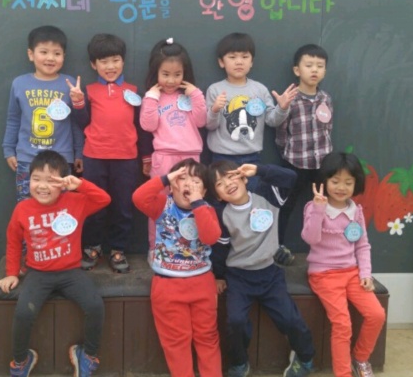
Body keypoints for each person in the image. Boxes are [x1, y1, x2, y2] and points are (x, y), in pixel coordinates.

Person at [0, 150, 111, 377]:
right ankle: (20, 362)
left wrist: (80, 185)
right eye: (36, 179)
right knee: (23, 313)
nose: (42, 186)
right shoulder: (22, 209)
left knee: (95, 306)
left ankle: (87, 357)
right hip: (38, 273)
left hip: (71, 272)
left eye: (51, 180)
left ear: (63, 183)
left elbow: (104, 200)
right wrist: (11, 272)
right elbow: (13, 241)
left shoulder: (76, 202)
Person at [208, 161, 315, 377]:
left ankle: (305, 358)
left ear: (243, 177)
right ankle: (239, 365)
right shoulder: (222, 214)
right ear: (217, 195)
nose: (228, 184)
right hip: (239, 277)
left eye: (231, 176)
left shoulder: (267, 196)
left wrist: (259, 170)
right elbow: (220, 250)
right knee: (235, 321)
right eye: (219, 183)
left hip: (270, 273)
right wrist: (218, 275)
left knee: (290, 319)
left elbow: (291, 178)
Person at [205, 32, 298, 266]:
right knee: (221, 208)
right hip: (221, 160)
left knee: (255, 204)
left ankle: (262, 250)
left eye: (244, 56)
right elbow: (209, 125)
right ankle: (220, 255)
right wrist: (214, 110)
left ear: (252, 61)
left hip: (251, 161)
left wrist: (283, 107)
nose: (239, 62)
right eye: (232, 57)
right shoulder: (216, 90)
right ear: (221, 62)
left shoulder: (259, 90)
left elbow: (272, 120)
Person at [132, 158, 223, 377]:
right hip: (167, 285)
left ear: (205, 190)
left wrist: (198, 203)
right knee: (176, 341)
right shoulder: (162, 204)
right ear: (172, 186)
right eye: (182, 178)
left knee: (207, 335)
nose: (189, 184)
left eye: (196, 181)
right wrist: (165, 179)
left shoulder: (207, 208)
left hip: (202, 282)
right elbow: (139, 198)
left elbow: (211, 237)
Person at [302, 152, 386, 377]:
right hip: (323, 274)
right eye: (335, 181)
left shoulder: (355, 211)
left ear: (356, 184)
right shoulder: (313, 207)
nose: (341, 187)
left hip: (351, 273)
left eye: (348, 182)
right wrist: (319, 210)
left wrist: (365, 274)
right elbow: (310, 238)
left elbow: (362, 244)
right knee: (342, 325)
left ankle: (360, 359)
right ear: (324, 181)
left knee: (377, 314)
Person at [72, 33, 153, 273]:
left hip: (126, 159)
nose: (110, 66)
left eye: (115, 60)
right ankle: (92, 247)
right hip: (94, 157)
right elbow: (82, 123)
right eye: (103, 61)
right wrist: (78, 103)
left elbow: (142, 127)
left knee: (123, 207)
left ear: (123, 61)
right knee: (94, 205)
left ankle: (118, 249)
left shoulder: (133, 92)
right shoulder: (88, 91)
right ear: (93, 64)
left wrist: (146, 157)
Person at [2, 25, 85, 203]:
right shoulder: (20, 83)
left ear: (64, 56)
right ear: (31, 54)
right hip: (27, 157)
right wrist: (8, 149)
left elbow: (75, 123)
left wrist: (79, 152)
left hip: (61, 158)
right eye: (44, 52)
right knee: (26, 203)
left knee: (62, 206)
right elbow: (13, 119)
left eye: (57, 53)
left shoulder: (69, 84)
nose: (50, 58)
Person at [140, 38, 207, 246]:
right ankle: (156, 247)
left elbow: (201, 121)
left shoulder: (189, 96)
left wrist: (196, 94)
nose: (171, 80)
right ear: (156, 73)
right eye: (165, 74)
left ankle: (189, 248)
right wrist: (151, 98)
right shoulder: (153, 97)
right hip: (164, 158)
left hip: (190, 159)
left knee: (190, 200)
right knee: (160, 204)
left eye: (177, 74)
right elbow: (148, 125)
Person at [276, 44, 333, 253]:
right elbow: (281, 132)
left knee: (323, 204)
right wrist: (287, 153)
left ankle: (327, 246)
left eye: (320, 66)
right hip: (295, 162)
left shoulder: (325, 98)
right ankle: (278, 245)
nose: (314, 70)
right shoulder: (290, 99)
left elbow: (328, 127)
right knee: (287, 205)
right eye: (309, 65)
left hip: (322, 163)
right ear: (297, 70)